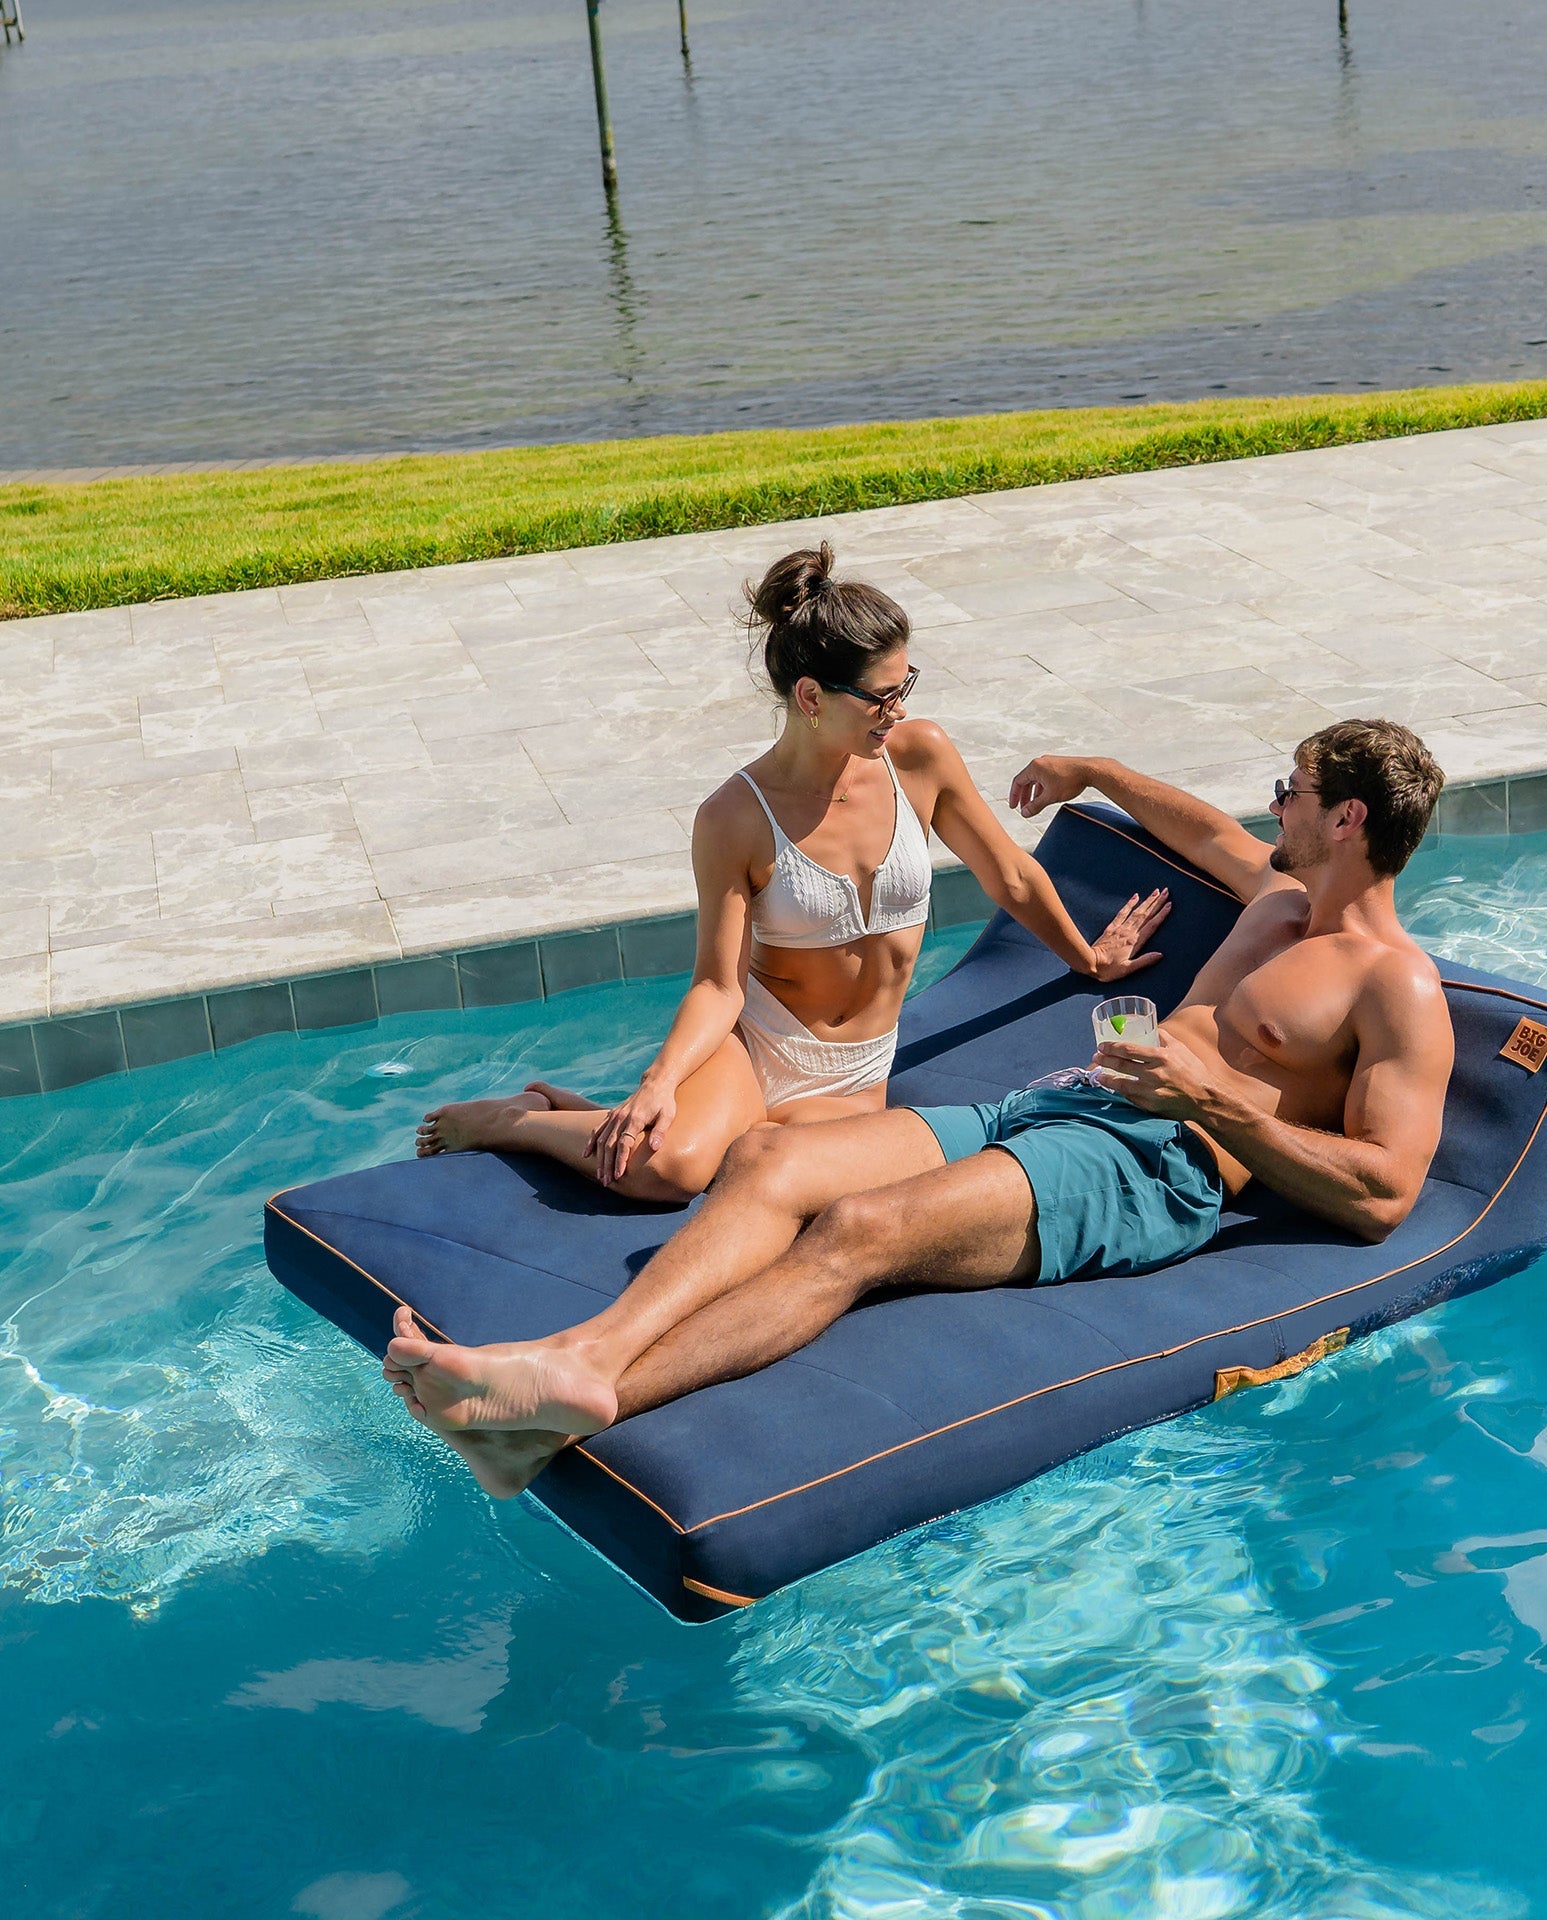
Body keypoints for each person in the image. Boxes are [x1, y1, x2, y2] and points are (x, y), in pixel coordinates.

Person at [384, 719, 1455, 1499]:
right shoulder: (1279, 896)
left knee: (858, 1232)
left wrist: (1220, 1105)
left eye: (1291, 789)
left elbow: (1386, 1194)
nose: (1272, 805)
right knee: (766, 1160)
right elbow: (1194, 826)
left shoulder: (1394, 985)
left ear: (1347, 819)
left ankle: (572, 1408)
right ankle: (578, 1358)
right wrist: (1093, 769)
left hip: (1153, 1167)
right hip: (1059, 1104)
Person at [413, 543, 1169, 1200]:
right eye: (880, 696)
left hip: (858, 1072)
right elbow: (717, 984)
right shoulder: (735, 817)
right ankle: (518, 1120)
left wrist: (1088, 956)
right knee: (666, 1172)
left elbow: (1009, 873)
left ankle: (569, 1106)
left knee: (773, 1177)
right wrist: (659, 1080)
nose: (898, 710)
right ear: (810, 697)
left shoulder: (920, 757)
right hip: (763, 1045)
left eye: (906, 686)